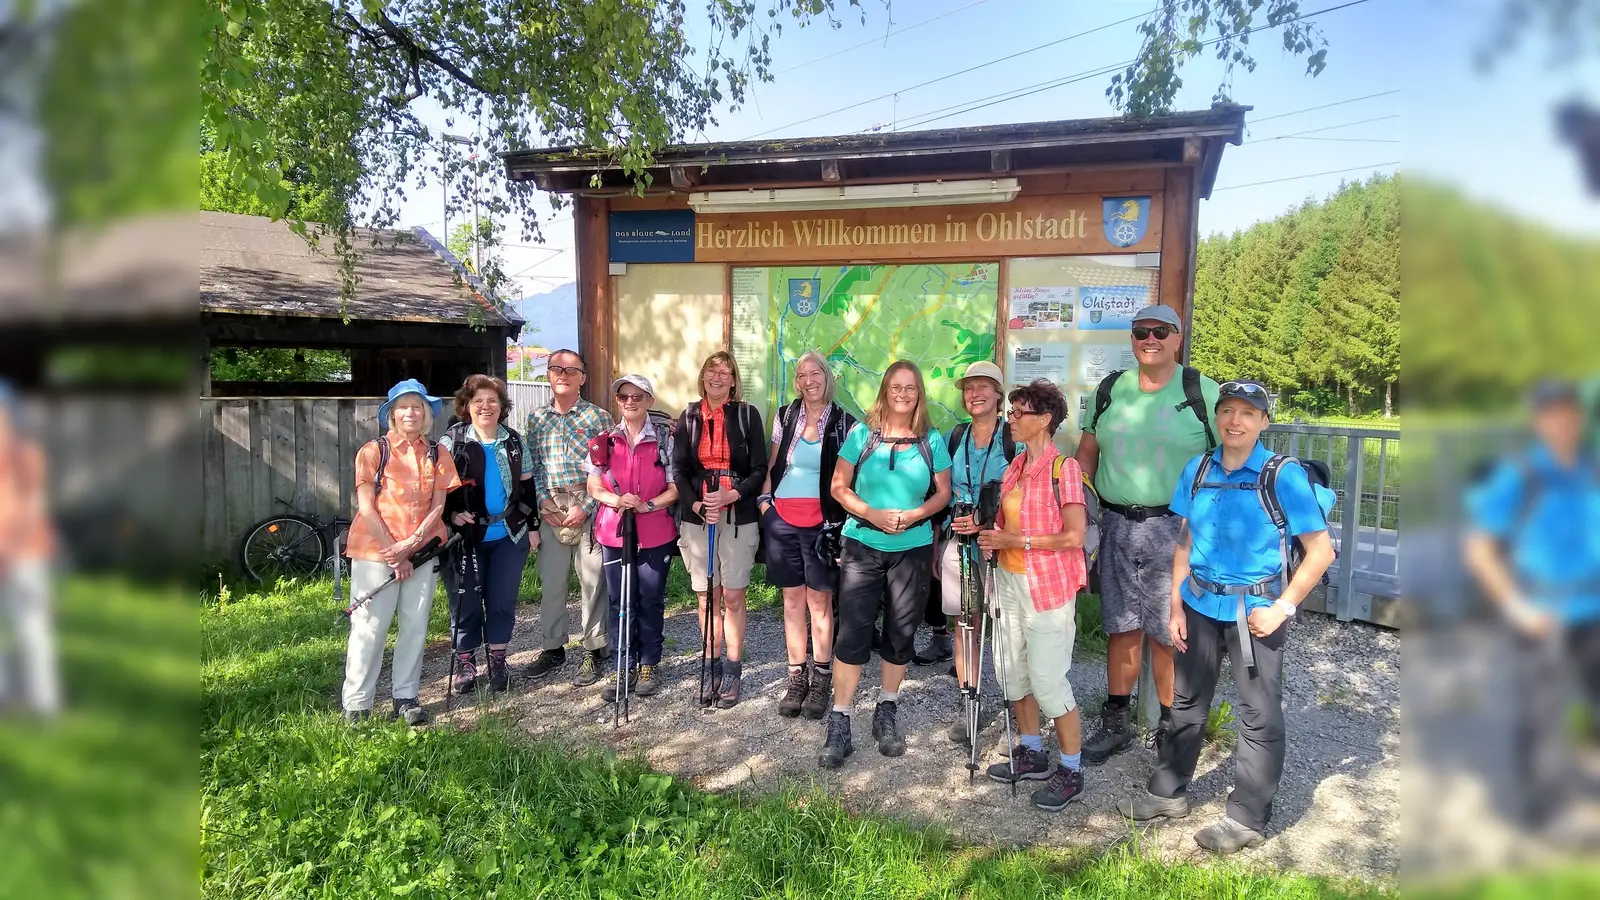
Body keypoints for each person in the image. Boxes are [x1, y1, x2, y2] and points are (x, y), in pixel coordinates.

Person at [1117, 380, 1335, 853]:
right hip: (1198, 603)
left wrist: (1283, 608)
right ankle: (1168, 792)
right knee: (1187, 703)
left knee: (1257, 715)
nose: (1235, 421)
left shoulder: (1283, 475)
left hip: (1257, 612)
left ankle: (1248, 818)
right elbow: (1185, 541)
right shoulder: (1197, 469)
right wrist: (1175, 604)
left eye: (1247, 413)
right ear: (1217, 418)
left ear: (1263, 422)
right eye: (1228, 411)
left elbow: (1321, 552)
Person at [1075, 304, 1221, 762]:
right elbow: (1086, 455)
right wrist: (1083, 511)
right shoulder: (1110, 390)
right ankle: (1116, 720)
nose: (1149, 339)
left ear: (1178, 338)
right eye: (1141, 332)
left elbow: (1229, 455)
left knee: (1167, 633)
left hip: (1176, 527)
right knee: (1121, 627)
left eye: (1161, 331)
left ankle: (1169, 727)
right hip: (1116, 522)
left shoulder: (1203, 392)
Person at [1463, 379, 1600, 829]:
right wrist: (1517, 607)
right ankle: (1548, 814)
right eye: (1552, 413)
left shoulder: (1590, 469)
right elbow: (1479, 547)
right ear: (1538, 421)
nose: (1562, 422)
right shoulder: (1520, 473)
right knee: (1543, 718)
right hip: (1542, 616)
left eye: (1569, 413)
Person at [820, 360, 953, 769]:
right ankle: (840, 721)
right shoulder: (862, 435)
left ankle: (886, 710)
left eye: (910, 387)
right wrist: (870, 513)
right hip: (863, 543)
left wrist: (914, 516)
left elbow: (943, 493)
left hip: (911, 547)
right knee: (854, 632)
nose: (902, 393)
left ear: (919, 393)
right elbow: (838, 486)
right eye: (895, 386)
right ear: (884, 390)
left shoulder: (931, 440)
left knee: (900, 632)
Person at [974, 379, 1089, 811]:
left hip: (1049, 587)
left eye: (1019, 413)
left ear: (1045, 419)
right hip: (1008, 581)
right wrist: (989, 535)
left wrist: (1015, 541)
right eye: (1011, 413)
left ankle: (1071, 770)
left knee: (1047, 680)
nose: (1011, 420)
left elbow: (1073, 535)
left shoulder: (1065, 469)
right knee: (1011, 672)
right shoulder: (1014, 468)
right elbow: (1006, 530)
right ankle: (1031, 751)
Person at [341, 379, 460, 725]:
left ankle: (405, 697)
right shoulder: (373, 451)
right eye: (403, 407)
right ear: (392, 414)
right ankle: (357, 703)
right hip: (374, 550)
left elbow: (438, 506)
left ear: (426, 413)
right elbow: (366, 507)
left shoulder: (438, 452)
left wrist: (411, 546)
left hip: (421, 551)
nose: (411, 412)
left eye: (417, 406)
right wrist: (394, 553)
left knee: (415, 625)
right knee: (370, 627)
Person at [758, 351, 857, 720]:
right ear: (796, 381)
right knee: (792, 602)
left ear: (827, 377)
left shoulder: (844, 423)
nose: (808, 380)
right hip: (782, 519)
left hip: (821, 525)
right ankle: (796, 676)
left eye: (815, 373)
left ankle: (821, 677)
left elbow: (850, 477)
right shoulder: (785, 415)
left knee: (820, 603)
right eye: (801, 375)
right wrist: (766, 507)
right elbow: (773, 464)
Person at [927, 361, 1019, 745]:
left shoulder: (1015, 438)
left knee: (1011, 626)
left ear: (999, 395)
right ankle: (970, 702)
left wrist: (987, 524)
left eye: (983, 387)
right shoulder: (956, 436)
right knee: (967, 623)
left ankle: (1018, 707)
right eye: (968, 388)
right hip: (960, 541)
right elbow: (942, 492)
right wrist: (939, 540)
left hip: (1004, 545)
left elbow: (1025, 496)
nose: (974, 394)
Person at [674, 351, 768, 709]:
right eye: (711, 371)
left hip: (738, 515)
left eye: (724, 372)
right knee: (705, 596)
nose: (717, 377)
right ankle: (710, 663)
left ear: (733, 380)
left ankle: (732, 668)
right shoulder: (689, 417)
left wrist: (734, 493)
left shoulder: (746, 415)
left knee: (732, 596)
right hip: (699, 517)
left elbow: (759, 468)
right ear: (703, 377)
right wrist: (696, 504)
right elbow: (680, 471)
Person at [440, 375, 536, 694]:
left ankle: (497, 659)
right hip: (465, 535)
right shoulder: (451, 441)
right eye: (478, 401)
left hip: (508, 533)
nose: (486, 406)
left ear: (502, 406)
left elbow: (528, 488)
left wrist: (532, 527)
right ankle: (467, 663)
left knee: (502, 601)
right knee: (464, 600)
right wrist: (451, 515)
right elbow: (437, 491)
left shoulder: (513, 440)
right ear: (466, 406)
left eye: (492, 400)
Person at [524, 348, 614, 687]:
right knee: (552, 582)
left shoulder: (598, 418)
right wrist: (543, 503)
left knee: (592, 582)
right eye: (555, 369)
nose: (562, 374)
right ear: (548, 375)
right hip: (550, 506)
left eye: (570, 370)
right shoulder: (536, 419)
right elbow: (530, 466)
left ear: (582, 378)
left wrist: (586, 506)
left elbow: (608, 470)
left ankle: (593, 648)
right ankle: (553, 646)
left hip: (588, 504)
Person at [586, 375, 679, 701]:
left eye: (638, 396)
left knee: (650, 599)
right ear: (618, 401)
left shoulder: (666, 439)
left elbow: (675, 487)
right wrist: (617, 501)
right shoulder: (604, 441)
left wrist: (648, 504)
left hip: (655, 531)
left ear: (649, 401)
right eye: (624, 396)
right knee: (620, 601)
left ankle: (649, 663)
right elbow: (593, 486)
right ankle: (623, 665)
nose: (630, 401)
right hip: (615, 531)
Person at [0, 383, 59, 715]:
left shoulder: (28, 457)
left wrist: (9, 548)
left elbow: (33, 507)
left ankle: (43, 702)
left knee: (32, 626)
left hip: (24, 554)